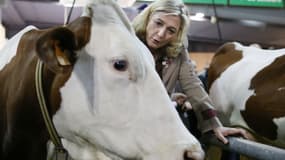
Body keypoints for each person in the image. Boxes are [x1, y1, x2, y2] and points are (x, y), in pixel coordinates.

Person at [132, 0, 247, 144]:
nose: (161, 34)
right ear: (147, 18)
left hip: (155, 129)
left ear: (177, 34)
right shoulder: (126, 41)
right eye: (158, 23)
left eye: (171, 30)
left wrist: (214, 123)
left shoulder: (178, 53)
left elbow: (194, 87)